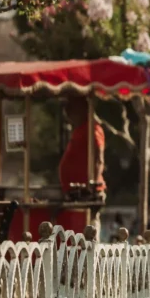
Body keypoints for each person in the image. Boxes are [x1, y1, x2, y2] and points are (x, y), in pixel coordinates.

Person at [57, 97, 106, 234]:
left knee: (89, 229)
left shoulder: (92, 128)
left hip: (87, 194)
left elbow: (98, 158)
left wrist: (92, 186)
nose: (68, 115)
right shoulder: (79, 129)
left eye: (71, 109)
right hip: (75, 193)